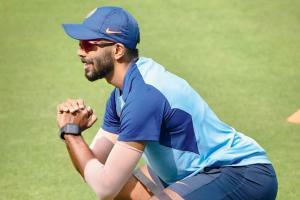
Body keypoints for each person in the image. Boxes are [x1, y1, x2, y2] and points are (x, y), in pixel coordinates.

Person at [57, 6, 278, 200]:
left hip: (241, 174)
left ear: (117, 50)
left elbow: (104, 186)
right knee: (120, 192)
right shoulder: (121, 95)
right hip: (197, 174)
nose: (80, 51)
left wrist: (71, 133)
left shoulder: (144, 96)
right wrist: (73, 136)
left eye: (88, 44)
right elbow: (96, 168)